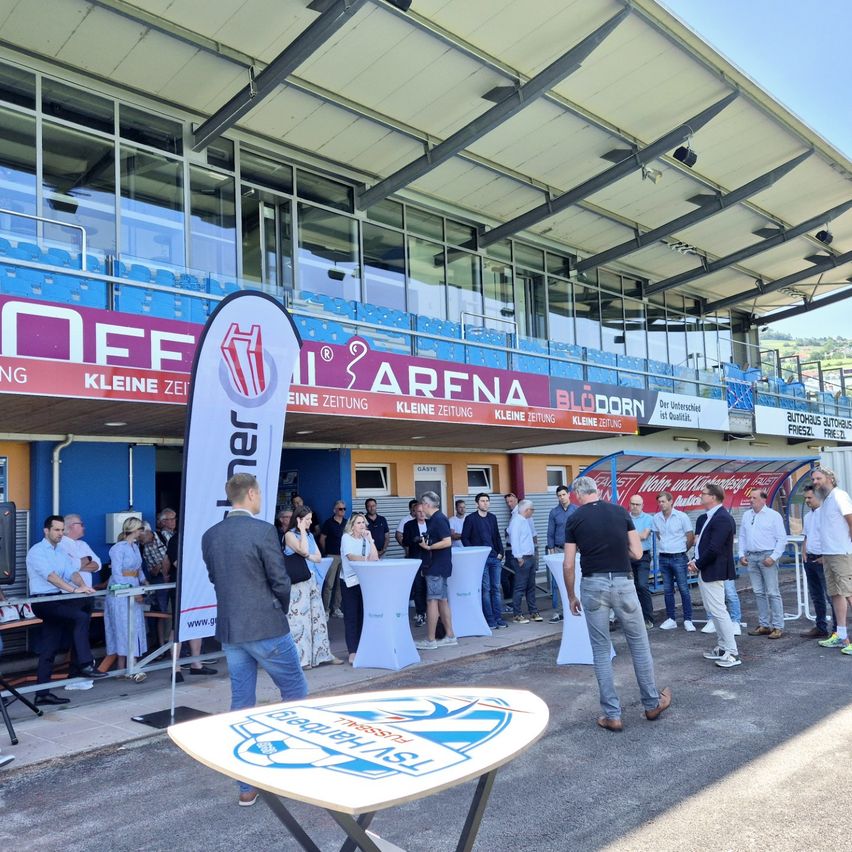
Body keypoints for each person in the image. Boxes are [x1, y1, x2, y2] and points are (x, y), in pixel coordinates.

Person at [201, 473, 308, 807]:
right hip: (266, 626)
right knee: (295, 691)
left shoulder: (210, 535)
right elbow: (280, 580)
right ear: (250, 493)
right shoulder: (263, 531)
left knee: (241, 702)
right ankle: (294, 762)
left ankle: (245, 784)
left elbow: (214, 577)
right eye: (259, 492)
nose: (261, 497)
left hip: (232, 630)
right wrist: (281, 610)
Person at [563, 477, 671, 732]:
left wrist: (570, 596)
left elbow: (568, 564)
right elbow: (637, 553)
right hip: (623, 583)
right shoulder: (621, 512)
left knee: (601, 651)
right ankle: (652, 703)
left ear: (578, 495)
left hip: (592, 585)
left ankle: (612, 715)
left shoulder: (574, 519)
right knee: (639, 644)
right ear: (597, 491)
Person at [26, 515, 106, 705]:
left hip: (58, 599)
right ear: (46, 531)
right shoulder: (37, 551)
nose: (60, 533)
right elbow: (51, 577)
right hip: (43, 601)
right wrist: (74, 590)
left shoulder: (60, 552)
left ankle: (42, 694)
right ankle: (85, 664)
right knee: (79, 618)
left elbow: (73, 573)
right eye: (56, 530)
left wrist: (83, 587)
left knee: (49, 649)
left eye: (62, 530)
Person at [688, 483, 742, 668]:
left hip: (714, 570)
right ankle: (722, 647)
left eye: (703, 494)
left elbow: (714, 548)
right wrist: (696, 560)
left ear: (713, 497)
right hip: (707, 569)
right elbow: (702, 544)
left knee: (719, 611)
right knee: (714, 610)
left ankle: (732, 652)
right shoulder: (710, 517)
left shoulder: (722, 518)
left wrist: (697, 563)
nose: (700, 496)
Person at [283, 506, 341, 668]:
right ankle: (302, 659)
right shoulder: (289, 535)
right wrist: (301, 532)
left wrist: (306, 553)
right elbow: (303, 549)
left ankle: (321, 654)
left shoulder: (308, 534)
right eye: (307, 519)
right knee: (299, 622)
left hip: (311, 579)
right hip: (297, 583)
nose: (310, 522)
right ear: (299, 519)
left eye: (310, 519)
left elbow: (316, 557)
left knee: (317, 618)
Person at [164, 531, 218, 682]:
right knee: (177, 628)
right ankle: (176, 668)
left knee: (196, 625)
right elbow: (175, 562)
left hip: (197, 587)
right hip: (182, 587)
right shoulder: (176, 539)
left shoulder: (199, 535)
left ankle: (196, 664)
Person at [812, 467, 852, 653]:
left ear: (830, 479)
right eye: (814, 479)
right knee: (836, 594)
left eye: (819, 478)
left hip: (842, 554)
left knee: (849, 594)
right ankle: (841, 635)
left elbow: (850, 518)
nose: (815, 482)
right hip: (829, 555)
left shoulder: (839, 496)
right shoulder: (825, 500)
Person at [740, 489, 787, 639]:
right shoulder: (747, 515)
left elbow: (782, 538)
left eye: (754, 497)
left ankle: (778, 627)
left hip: (767, 556)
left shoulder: (774, 516)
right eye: (750, 497)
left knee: (773, 592)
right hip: (752, 557)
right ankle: (764, 625)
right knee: (758, 592)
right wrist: (741, 554)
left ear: (763, 500)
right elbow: (742, 535)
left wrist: (773, 557)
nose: (751, 500)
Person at [105, 517, 148, 678]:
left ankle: (126, 665)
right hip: (121, 590)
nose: (141, 531)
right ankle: (129, 666)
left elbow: (138, 569)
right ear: (134, 529)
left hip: (134, 584)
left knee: (134, 624)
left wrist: (144, 581)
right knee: (122, 625)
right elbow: (116, 574)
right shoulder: (118, 548)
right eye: (140, 528)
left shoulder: (135, 547)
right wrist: (131, 590)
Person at [415, 492, 457, 651]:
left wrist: (429, 547)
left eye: (421, 504)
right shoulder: (437, 519)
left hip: (436, 566)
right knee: (442, 600)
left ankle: (431, 639)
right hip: (441, 565)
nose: (420, 508)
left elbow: (447, 541)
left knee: (432, 601)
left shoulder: (438, 519)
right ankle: (450, 635)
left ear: (427, 504)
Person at [461, 492, 507, 630]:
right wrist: (474, 554)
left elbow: (497, 536)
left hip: (494, 558)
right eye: (482, 501)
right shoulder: (470, 519)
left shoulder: (492, 518)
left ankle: (498, 618)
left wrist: (501, 552)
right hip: (481, 559)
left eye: (487, 500)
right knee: (485, 589)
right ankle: (490, 619)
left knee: (496, 589)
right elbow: (464, 538)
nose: (485, 503)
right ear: (477, 504)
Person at [653, 492, 695, 631]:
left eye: (663, 501)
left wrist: (682, 549)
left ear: (671, 502)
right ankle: (671, 618)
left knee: (683, 589)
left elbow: (690, 536)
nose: (661, 504)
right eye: (659, 502)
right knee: (667, 590)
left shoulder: (681, 516)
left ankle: (688, 619)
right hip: (664, 557)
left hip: (678, 557)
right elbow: (659, 535)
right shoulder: (657, 518)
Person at [339, 513, 378, 664]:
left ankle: (363, 646)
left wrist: (370, 540)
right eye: (358, 523)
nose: (362, 525)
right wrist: (367, 560)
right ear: (352, 525)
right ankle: (352, 651)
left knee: (363, 615)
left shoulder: (365, 539)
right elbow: (351, 557)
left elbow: (375, 558)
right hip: (349, 582)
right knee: (351, 617)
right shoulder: (346, 538)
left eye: (363, 522)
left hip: (364, 581)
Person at [800, 484, 835, 639]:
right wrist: (803, 551)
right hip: (810, 559)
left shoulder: (826, 515)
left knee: (831, 596)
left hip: (823, 559)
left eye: (809, 497)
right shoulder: (808, 516)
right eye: (805, 498)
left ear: (818, 497)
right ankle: (821, 627)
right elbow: (807, 536)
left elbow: (833, 537)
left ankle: (837, 630)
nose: (807, 500)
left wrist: (825, 557)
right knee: (816, 595)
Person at [508, 500, 541, 623]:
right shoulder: (517, 521)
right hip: (523, 558)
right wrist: (519, 557)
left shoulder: (524, 521)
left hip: (529, 557)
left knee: (531, 586)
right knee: (520, 587)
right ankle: (517, 614)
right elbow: (514, 540)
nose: (533, 512)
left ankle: (533, 611)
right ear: (527, 510)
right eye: (532, 510)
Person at [546, 485, 575, 623]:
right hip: (558, 550)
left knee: (574, 579)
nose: (562, 497)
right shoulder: (553, 512)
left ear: (568, 494)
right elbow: (550, 533)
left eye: (564, 494)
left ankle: (575, 607)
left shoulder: (576, 510)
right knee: (557, 582)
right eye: (559, 495)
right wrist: (551, 551)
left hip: (575, 550)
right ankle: (559, 612)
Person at [627, 497, 655, 629]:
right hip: (627, 556)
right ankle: (633, 619)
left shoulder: (648, 519)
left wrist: (626, 535)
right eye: (632, 504)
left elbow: (644, 535)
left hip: (643, 556)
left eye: (638, 504)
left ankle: (648, 618)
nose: (635, 506)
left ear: (642, 505)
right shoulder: (625, 517)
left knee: (642, 586)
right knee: (629, 588)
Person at [319, 500, 347, 618]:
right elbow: (322, 539)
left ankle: (336, 608)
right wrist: (326, 553)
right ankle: (325, 609)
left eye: (344, 509)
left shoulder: (347, 523)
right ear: (334, 510)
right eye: (340, 509)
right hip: (332, 555)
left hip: (344, 556)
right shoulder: (328, 523)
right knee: (329, 584)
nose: (343, 511)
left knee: (340, 584)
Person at [402, 505, 429, 626]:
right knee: (418, 588)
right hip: (416, 559)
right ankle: (420, 614)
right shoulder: (409, 525)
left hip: (430, 559)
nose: (422, 514)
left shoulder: (432, 523)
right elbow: (404, 541)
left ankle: (432, 613)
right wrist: (414, 539)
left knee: (430, 588)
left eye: (423, 511)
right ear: (415, 513)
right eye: (419, 511)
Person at [60, 514, 102, 589]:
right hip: (68, 593)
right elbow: (62, 567)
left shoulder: (83, 544)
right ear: (72, 525)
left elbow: (98, 565)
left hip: (87, 591)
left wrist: (74, 567)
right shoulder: (59, 544)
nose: (84, 527)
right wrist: (72, 566)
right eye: (81, 524)